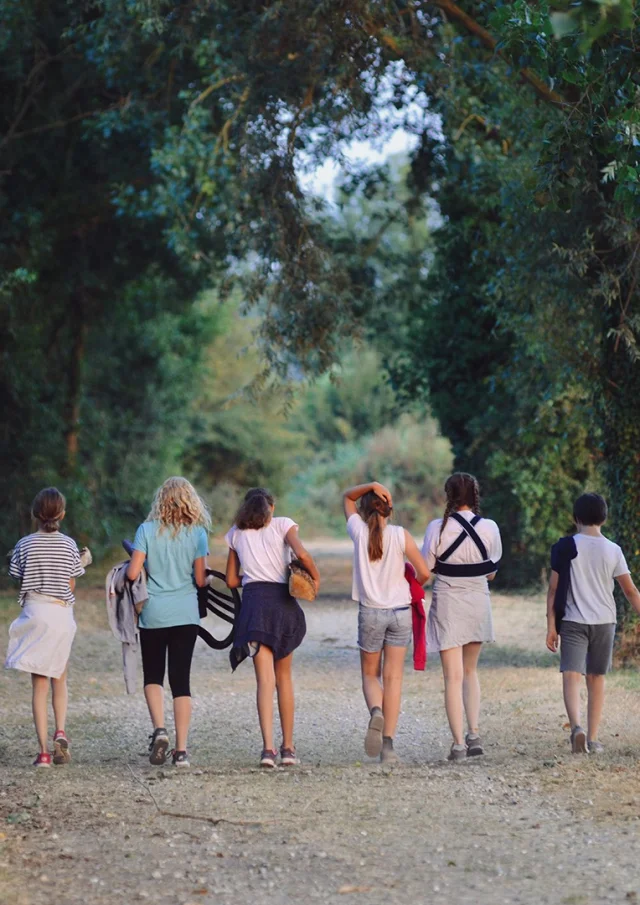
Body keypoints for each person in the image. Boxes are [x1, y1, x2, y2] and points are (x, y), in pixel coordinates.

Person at [225, 488, 319, 768]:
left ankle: (268, 751)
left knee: (264, 682)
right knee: (284, 679)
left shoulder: (236, 533)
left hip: (254, 606)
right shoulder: (282, 524)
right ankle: (288, 748)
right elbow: (301, 552)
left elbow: (231, 580)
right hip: (282, 604)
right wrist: (315, 577)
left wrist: (252, 579)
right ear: (271, 507)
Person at [546, 492, 640, 754]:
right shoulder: (613, 550)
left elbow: (553, 591)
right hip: (604, 622)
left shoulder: (566, 546)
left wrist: (551, 626)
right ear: (604, 518)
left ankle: (577, 727)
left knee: (571, 674)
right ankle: (594, 738)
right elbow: (630, 591)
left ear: (576, 518)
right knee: (596, 678)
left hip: (573, 621)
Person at [343, 481, 429, 764]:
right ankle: (388, 747)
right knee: (393, 678)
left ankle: (376, 711)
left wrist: (371, 485)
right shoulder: (400, 535)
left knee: (371, 675)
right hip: (400, 612)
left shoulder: (358, 531)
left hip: (370, 613)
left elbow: (347, 497)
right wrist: (409, 582)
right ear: (389, 510)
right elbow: (424, 572)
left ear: (364, 510)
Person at [127, 477, 210, 768]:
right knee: (181, 680)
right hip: (186, 614)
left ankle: (160, 729)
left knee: (153, 675)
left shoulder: (146, 530)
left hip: (153, 613)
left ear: (160, 500)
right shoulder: (198, 533)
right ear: (190, 501)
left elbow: (132, 572)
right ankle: (182, 751)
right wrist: (208, 576)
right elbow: (200, 580)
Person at [421, 472, 501, 761]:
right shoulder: (490, 527)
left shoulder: (436, 528)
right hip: (478, 601)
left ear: (449, 496)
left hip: (448, 604)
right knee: (470, 672)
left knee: (451, 677)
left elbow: (426, 568)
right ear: (475, 495)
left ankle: (457, 744)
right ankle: (474, 734)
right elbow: (491, 572)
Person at [5, 487, 87, 767]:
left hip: (35, 613)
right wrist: (81, 562)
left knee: (39, 685)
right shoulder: (68, 545)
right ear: (62, 514)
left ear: (34, 514)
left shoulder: (24, 544)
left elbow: (17, 575)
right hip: (61, 614)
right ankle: (60, 731)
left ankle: (42, 753)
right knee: (59, 679)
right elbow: (70, 584)